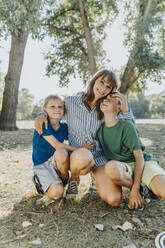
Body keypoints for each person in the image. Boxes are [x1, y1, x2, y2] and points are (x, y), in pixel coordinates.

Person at [34, 69, 135, 201]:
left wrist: (126, 108)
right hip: (76, 157)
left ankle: (95, 178)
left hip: (99, 157)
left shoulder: (106, 107)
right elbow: (55, 110)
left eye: (108, 86)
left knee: (114, 199)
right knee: (83, 155)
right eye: (102, 82)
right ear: (94, 80)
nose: (103, 88)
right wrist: (42, 115)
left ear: (111, 91)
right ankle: (74, 179)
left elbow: (131, 131)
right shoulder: (71, 102)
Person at [96, 94, 165, 209]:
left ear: (119, 108)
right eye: (104, 99)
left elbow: (139, 157)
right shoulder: (100, 131)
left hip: (143, 163)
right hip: (123, 167)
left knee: (162, 189)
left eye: (110, 100)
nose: (105, 101)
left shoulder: (127, 126)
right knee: (111, 167)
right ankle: (143, 190)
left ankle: (142, 188)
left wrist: (134, 190)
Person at [32, 94, 94, 200]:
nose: (57, 109)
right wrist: (80, 149)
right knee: (57, 194)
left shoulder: (64, 126)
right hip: (43, 164)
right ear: (45, 109)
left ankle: (64, 178)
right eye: (52, 107)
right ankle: (39, 181)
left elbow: (74, 136)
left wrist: (83, 147)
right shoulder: (43, 124)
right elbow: (56, 145)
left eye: (60, 107)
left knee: (62, 153)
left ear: (64, 109)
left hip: (56, 161)